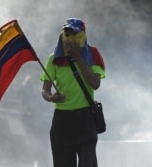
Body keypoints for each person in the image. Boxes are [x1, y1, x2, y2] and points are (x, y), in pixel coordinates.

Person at [40, 18, 106, 167]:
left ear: (82, 35)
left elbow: (95, 84)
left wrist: (77, 57)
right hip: (62, 120)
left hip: (85, 118)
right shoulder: (54, 59)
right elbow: (45, 89)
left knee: (87, 163)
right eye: (67, 34)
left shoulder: (93, 54)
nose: (70, 38)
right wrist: (51, 97)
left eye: (74, 34)